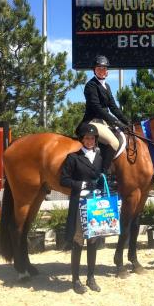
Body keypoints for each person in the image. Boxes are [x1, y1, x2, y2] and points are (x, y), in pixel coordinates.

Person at [60, 123, 103, 294]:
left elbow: (101, 175)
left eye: (92, 138)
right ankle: (75, 279)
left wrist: (103, 181)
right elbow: (64, 180)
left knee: (93, 239)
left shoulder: (99, 157)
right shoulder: (73, 158)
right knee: (79, 239)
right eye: (87, 138)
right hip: (81, 202)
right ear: (82, 139)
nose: (90, 140)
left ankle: (91, 277)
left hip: (95, 203)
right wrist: (82, 184)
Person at [75, 55, 131, 174]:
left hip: (104, 122)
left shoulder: (107, 86)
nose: (101, 71)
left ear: (107, 71)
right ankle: (101, 175)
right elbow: (97, 108)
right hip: (93, 121)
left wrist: (126, 122)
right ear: (94, 70)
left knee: (124, 138)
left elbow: (113, 107)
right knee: (114, 143)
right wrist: (116, 122)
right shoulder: (91, 85)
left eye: (104, 68)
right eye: (99, 68)